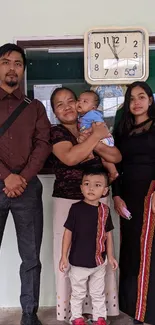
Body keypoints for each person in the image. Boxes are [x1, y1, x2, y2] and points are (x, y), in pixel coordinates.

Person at [50, 86, 121, 323]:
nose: (68, 106)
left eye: (71, 100)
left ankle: (101, 311)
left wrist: (93, 142)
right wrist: (95, 138)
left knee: (100, 251)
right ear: (54, 112)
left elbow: (116, 156)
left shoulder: (91, 125)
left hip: (97, 199)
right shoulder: (57, 133)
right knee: (68, 255)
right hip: (66, 199)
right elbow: (70, 157)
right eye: (60, 104)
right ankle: (72, 312)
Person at [0, 43, 51, 325]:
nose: (12, 68)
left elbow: (43, 145)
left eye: (18, 63)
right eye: (6, 62)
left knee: (30, 257)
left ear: (23, 70)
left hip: (28, 189)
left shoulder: (35, 108)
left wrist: (22, 177)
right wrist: (6, 175)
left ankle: (29, 315)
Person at [112, 81, 155, 325]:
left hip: (150, 195)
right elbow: (115, 166)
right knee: (130, 251)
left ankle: (147, 311)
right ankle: (132, 308)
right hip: (127, 196)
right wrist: (116, 195)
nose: (136, 102)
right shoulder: (122, 129)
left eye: (141, 96)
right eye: (131, 98)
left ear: (150, 100)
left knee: (147, 251)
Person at [59, 168, 118, 325]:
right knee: (78, 293)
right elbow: (67, 234)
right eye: (87, 184)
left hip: (99, 261)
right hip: (78, 261)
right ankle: (77, 318)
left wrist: (111, 256)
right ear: (81, 187)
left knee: (98, 293)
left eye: (97, 185)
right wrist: (63, 256)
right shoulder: (76, 209)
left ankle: (100, 318)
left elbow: (108, 235)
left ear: (105, 190)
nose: (91, 188)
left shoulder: (105, 211)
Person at [77, 90, 118, 182]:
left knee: (104, 158)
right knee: (103, 158)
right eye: (79, 100)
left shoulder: (92, 114)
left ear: (93, 108)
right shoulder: (82, 116)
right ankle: (113, 172)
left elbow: (101, 126)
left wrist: (88, 130)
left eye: (85, 101)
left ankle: (113, 172)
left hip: (104, 138)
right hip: (99, 138)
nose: (80, 103)